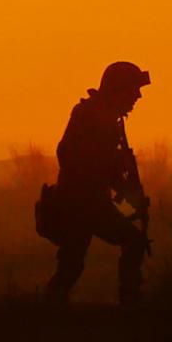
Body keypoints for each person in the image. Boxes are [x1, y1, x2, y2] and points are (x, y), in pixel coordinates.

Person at [39, 61, 152, 305]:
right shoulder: (94, 117)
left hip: (88, 202)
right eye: (133, 90)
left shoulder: (104, 117)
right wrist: (129, 200)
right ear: (118, 89)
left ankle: (50, 308)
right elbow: (95, 169)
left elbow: (107, 174)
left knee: (71, 264)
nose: (137, 96)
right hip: (81, 203)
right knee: (128, 243)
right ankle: (130, 301)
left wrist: (131, 203)